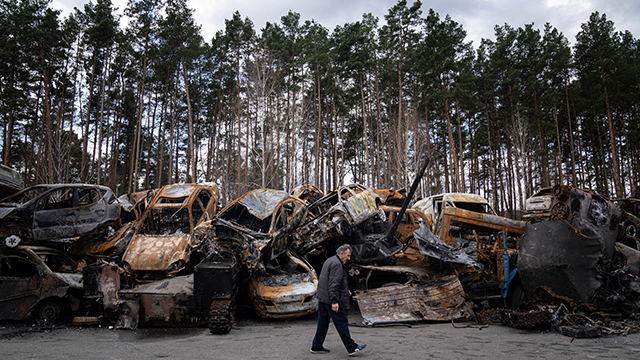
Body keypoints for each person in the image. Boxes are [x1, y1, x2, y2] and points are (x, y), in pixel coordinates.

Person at [310, 244, 366, 356]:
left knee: (323, 323)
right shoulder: (337, 265)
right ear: (341, 253)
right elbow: (333, 285)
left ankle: (316, 346)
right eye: (348, 255)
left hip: (323, 298)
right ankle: (352, 348)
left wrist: (346, 291)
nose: (349, 258)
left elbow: (332, 281)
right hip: (330, 299)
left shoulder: (330, 260)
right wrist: (335, 302)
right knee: (342, 322)